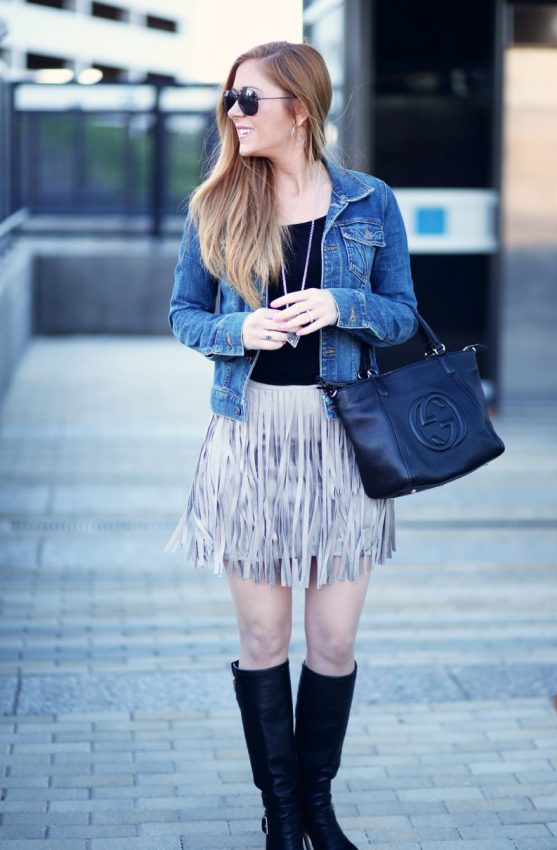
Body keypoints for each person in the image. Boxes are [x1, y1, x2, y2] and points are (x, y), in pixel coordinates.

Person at [164, 40, 418, 850]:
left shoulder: (370, 203)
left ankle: (317, 805)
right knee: (265, 640)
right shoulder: (216, 206)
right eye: (230, 99)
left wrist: (341, 304)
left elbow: (403, 315)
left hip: (343, 440)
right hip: (252, 441)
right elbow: (183, 316)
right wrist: (239, 327)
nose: (232, 114)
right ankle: (280, 812)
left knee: (335, 640)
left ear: (300, 110)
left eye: (250, 100)